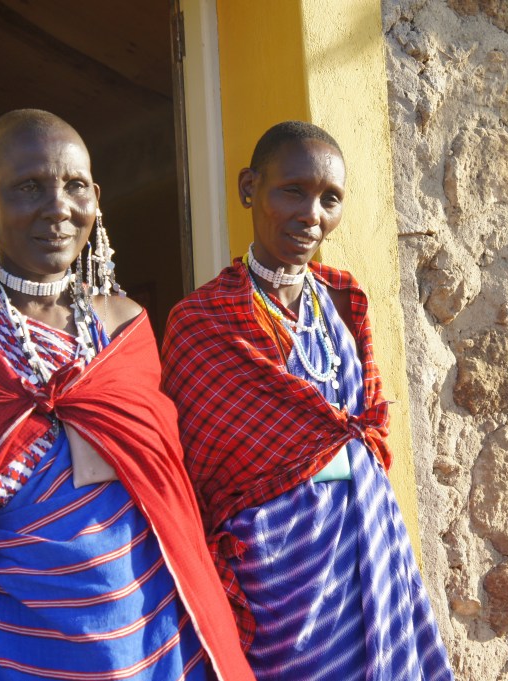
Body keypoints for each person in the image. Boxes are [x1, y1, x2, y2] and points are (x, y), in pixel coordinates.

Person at [0, 109, 254, 681]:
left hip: (146, 637)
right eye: (30, 186)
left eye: (75, 185)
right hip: (1, 651)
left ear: (97, 197)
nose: (58, 207)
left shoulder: (125, 325)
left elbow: (164, 493)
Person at [160, 121, 454, 680]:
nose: (311, 214)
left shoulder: (344, 301)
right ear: (250, 187)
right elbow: (198, 474)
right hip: (275, 572)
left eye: (330, 199)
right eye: (292, 190)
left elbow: (369, 428)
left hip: (368, 537)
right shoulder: (201, 322)